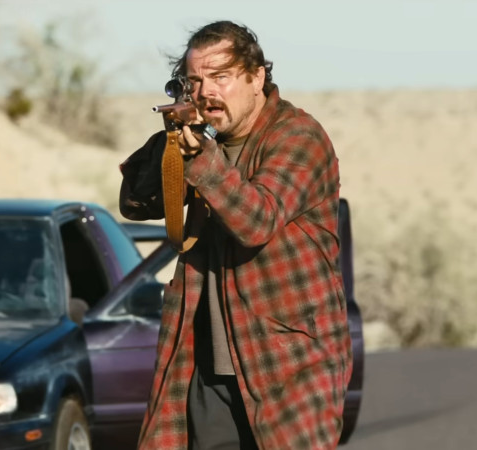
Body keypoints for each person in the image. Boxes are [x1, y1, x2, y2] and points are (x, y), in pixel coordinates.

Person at [119, 20, 352, 450]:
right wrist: (172, 144)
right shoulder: (201, 140)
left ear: (256, 77)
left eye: (220, 77)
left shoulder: (297, 136)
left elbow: (256, 220)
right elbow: (136, 202)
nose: (206, 92)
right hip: (209, 362)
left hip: (290, 363)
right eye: (194, 81)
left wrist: (200, 159)